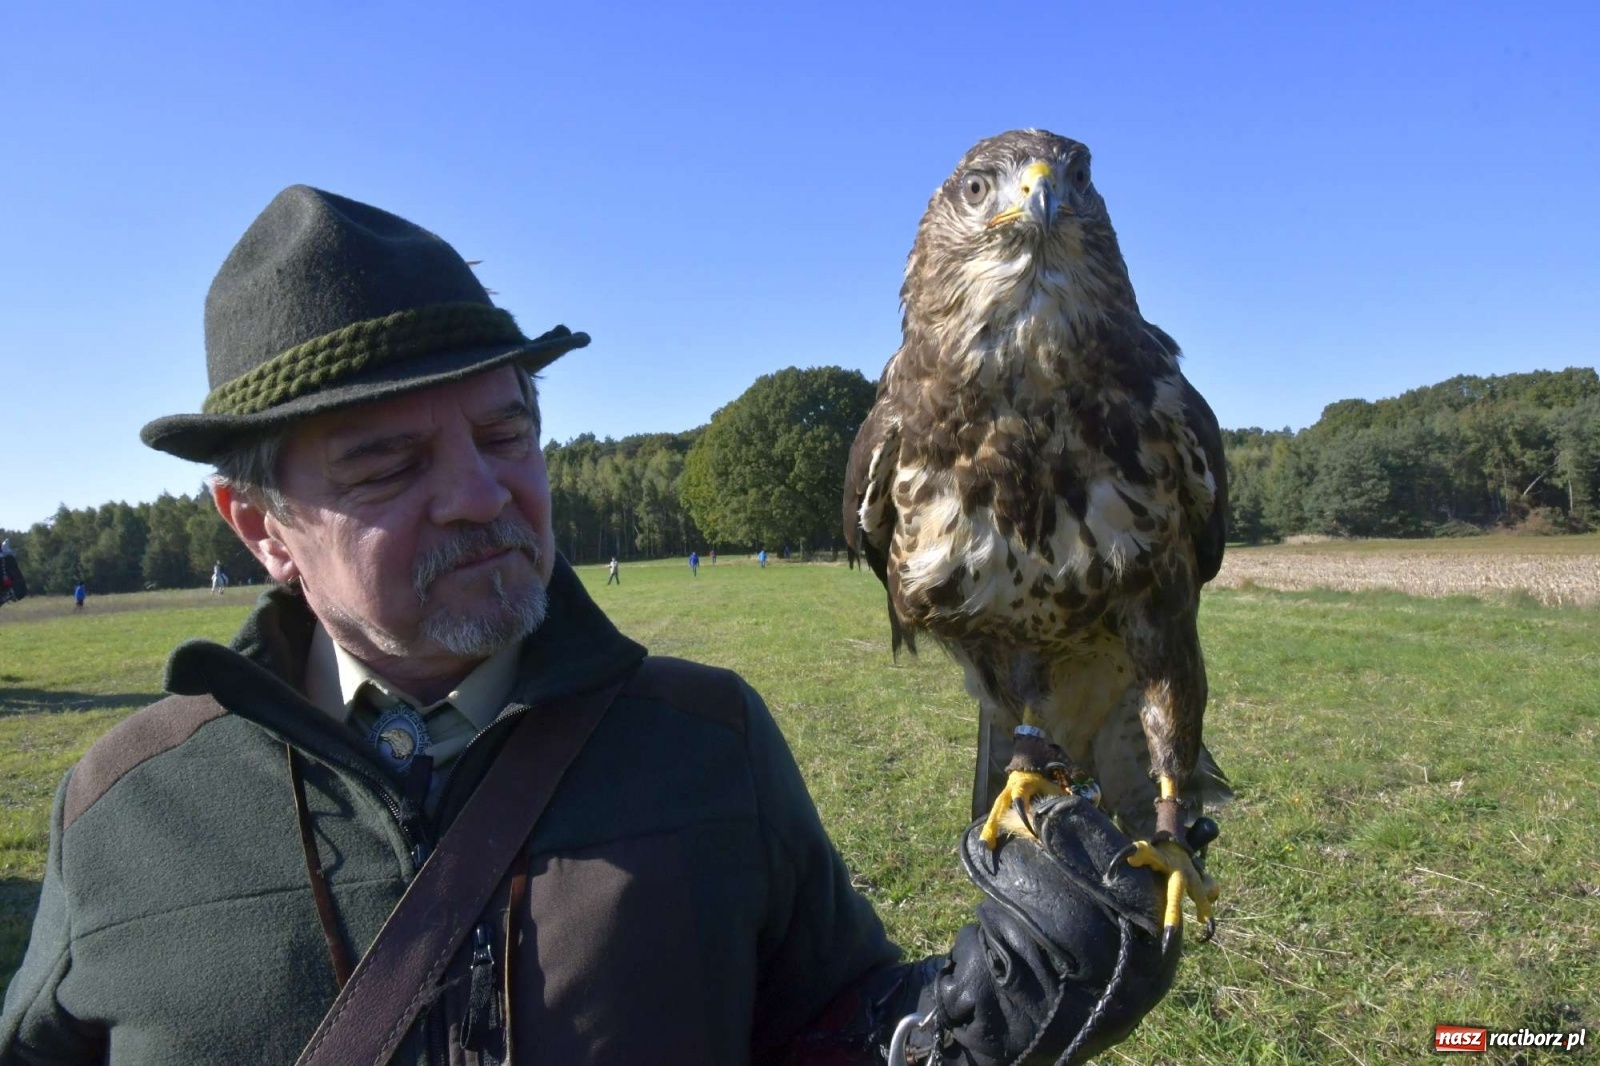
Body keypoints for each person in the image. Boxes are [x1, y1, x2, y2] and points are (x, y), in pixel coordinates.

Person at [0, 186, 1179, 1065]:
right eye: (387, 463)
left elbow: (831, 1026)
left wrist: (969, 1021)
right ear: (258, 524)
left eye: (506, 433)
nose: (480, 491)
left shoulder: (708, 740)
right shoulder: (126, 805)